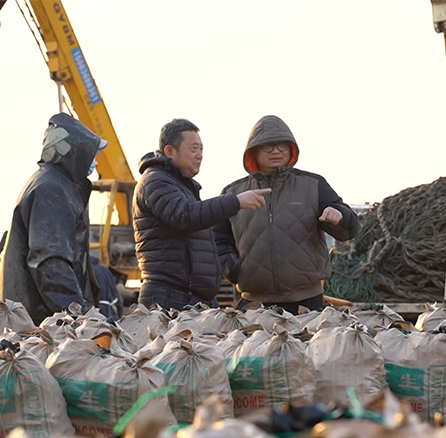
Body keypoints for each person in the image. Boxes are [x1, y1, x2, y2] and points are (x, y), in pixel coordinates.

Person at [214, 115, 360, 314]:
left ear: (292, 148)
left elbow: (349, 229)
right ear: (253, 151)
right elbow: (218, 240)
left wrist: (339, 216)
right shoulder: (233, 193)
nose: (276, 151)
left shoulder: (312, 184)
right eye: (268, 146)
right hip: (254, 305)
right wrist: (232, 269)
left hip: (307, 303)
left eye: (282, 145)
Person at [133, 118, 269, 310]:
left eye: (201, 149)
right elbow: (186, 216)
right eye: (193, 149)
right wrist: (236, 201)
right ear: (170, 151)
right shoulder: (156, 182)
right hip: (168, 299)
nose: (199, 155)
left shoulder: (181, 185)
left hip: (190, 298)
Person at [0, 113, 104, 324]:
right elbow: (50, 261)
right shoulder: (52, 189)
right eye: (90, 153)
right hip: (41, 320)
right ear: (75, 152)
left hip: (38, 316)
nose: (93, 160)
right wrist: (76, 315)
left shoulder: (55, 184)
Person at [91, 255, 123, 321]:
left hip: (97, 312)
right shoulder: (105, 270)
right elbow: (115, 292)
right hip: (111, 310)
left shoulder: (88, 271)